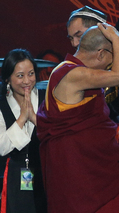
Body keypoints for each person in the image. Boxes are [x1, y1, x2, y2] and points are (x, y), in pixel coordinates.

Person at [36, 24, 119, 213]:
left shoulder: (65, 70)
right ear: (101, 53)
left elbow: (93, 126)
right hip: (79, 177)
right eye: (109, 61)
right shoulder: (74, 73)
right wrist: (117, 40)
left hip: (84, 169)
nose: (107, 68)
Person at [67, 6, 119, 213]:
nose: (75, 44)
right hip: (91, 164)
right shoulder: (79, 71)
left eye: (79, 36)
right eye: (71, 39)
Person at [0, 49, 47, 212]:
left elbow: (57, 135)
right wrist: (21, 119)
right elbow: (2, 147)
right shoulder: (1, 105)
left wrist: (34, 118)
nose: (27, 81)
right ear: (8, 79)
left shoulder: (46, 98)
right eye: (20, 76)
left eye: (31, 74)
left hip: (45, 171)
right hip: (14, 174)